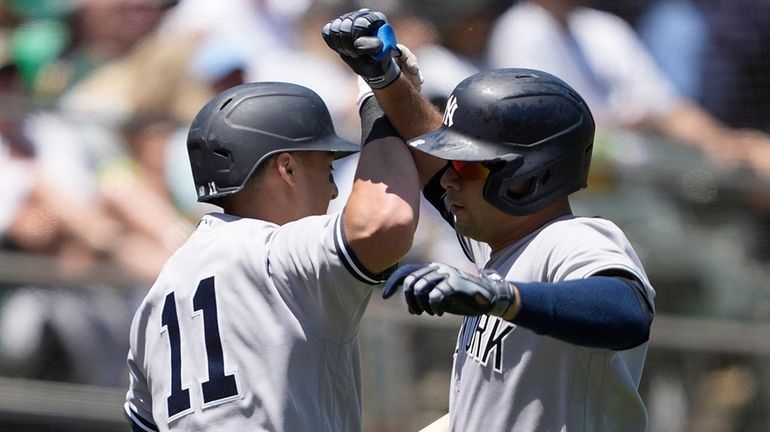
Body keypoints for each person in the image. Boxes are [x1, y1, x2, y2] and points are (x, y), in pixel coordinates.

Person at [323, 9, 655, 431]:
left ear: (529, 178)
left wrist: (503, 297)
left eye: (467, 167)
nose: (449, 177)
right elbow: (431, 163)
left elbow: (627, 313)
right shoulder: (500, 248)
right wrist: (386, 82)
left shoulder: (571, 238)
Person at [123, 81, 422, 431]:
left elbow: (143, 422)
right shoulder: (274, 253)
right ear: (288, 168)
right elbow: (384, 224)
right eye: (327, 170)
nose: (333, 188)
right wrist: (381, 100)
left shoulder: (161, 291)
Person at [486, 0, 770, 180]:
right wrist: (623, 121)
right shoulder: (519, 29)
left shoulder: (604, 27)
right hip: (572, 186)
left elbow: (668, 107)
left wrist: (727, 144)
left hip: (645, 179)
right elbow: (541, 128)